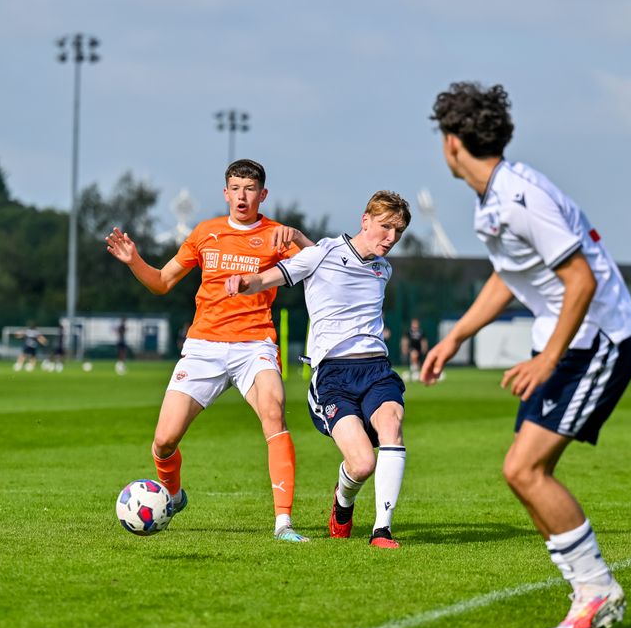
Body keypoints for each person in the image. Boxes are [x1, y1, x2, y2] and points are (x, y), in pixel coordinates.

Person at [423, 82, 631, 628]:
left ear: (452, 143)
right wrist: (456, 338)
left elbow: (581, 279)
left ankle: (595, 591)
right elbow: (510, 277)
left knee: (524, 469)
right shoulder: (493, 199)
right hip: (570, 339)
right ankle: (590, 591)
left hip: (599, 340)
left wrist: (547, 357)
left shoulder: (522, 196)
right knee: (521, 472)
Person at [106, 158, 313, 543]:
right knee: (164, 441)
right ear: (225, 192)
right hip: (204, 346)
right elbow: (163, 282)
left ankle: (283, 523)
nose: (242, 196)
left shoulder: (275, 236)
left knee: (274, 412)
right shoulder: (205, 233)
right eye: (235, 188)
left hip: (255, 344)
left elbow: (321, 265)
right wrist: (134, 260)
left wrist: (298, 238)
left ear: (262, 194)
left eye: (250, 189)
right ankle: (174, 493)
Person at [226, 191, 412, 549]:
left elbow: (345, 262)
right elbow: (280, 275)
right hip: (333, 376)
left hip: (376, 368)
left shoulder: (382, 268)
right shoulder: (321, 253)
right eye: (386, 228)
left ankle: (382, 531)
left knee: (392, 426)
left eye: (398, 232)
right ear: (365, 220)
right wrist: (245, 283)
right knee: (361, 465)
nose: (391, 238)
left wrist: (297, 237)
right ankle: (343, 504)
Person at [400, 318, 428, 382]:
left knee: (417, 361)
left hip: (419, 349)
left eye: (416, 323)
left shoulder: (421, 332)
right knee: (414, 354)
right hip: (411, 348)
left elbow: (423, 341)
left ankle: (415, 372)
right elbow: (405, 340)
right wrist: (404, 348)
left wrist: (424, 348)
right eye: (413, 323)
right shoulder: (408, 332)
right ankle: (414, 371)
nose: (415, 325)